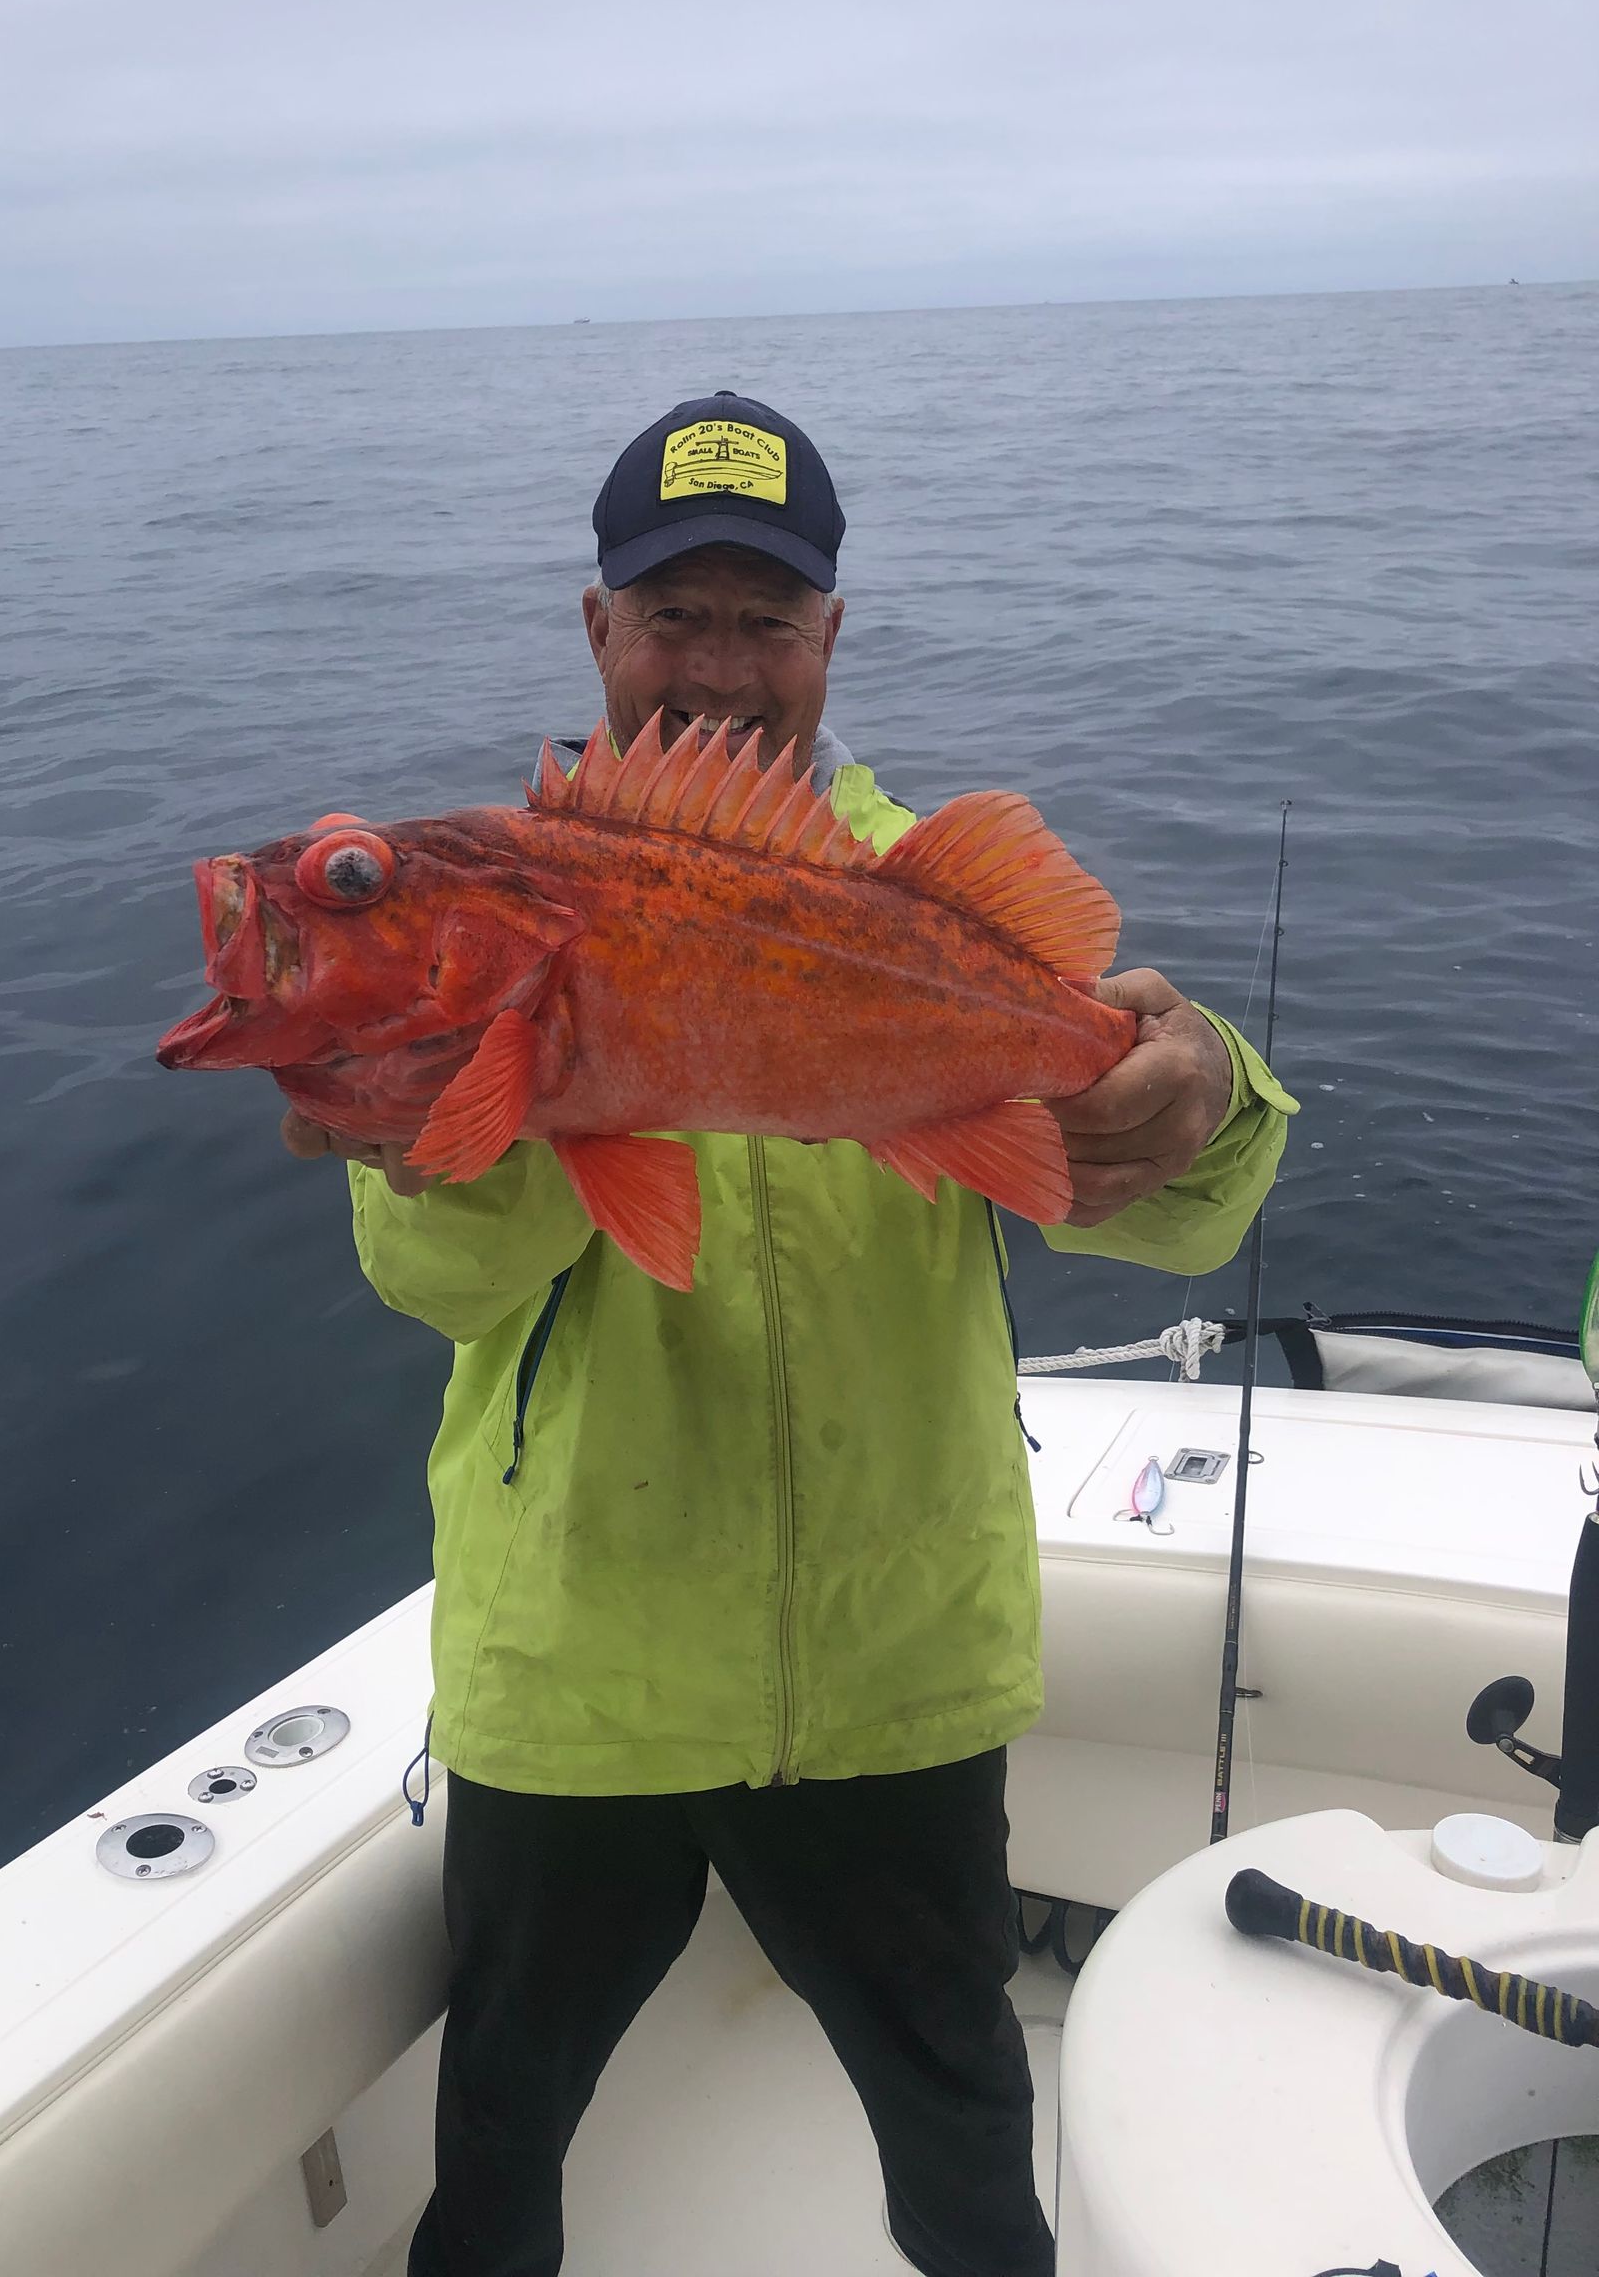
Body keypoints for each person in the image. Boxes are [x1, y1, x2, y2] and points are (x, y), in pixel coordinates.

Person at [283, 392, 1297, 2276]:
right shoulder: (488, 905)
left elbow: (1178, 1215)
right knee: (500, 2137)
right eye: (678, 617)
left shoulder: (929, 902)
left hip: (894, 1668)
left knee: (965, 2132)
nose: (721, 669)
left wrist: (1202, 1094)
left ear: (833, 634)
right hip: (581, 1670)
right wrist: (469, 1118)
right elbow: (441, 1286)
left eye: (767, 621)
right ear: (598, 628)